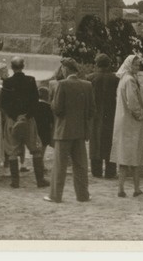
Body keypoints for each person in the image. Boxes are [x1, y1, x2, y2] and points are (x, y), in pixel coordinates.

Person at [44, 57, 94, 204]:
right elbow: (92, 110)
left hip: (64, 131)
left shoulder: (62, 85)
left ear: (65, 69)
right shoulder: (87, 85)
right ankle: (83, 195)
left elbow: (58, 109)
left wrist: (52, 101)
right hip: (80, 131)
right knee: (81, 165)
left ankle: (55, 195)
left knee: (60, 165)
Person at [0, 57, 48, 189]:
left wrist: (15, 116)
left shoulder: (7, 82)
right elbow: (35, 101)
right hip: (28, 119)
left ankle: (15, 181)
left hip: (13, 120)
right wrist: (27, 116)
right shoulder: (30, 80)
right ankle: (40, 180)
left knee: (13, 150)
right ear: (23, 66)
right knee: (35, 149)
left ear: (12, 67)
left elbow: (3, 103)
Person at [109, 54, 143, 197]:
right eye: (135, 65)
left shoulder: (123, 79)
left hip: (123, 120)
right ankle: (136, 188)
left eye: (138, 65)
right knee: (134, 155)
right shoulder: (130, 80)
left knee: (124, 156)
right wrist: (141, 115)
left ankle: (121, 188)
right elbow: (132, 102)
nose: (137, 67)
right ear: (129, 65)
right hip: (131, 123)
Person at [87, 53, 118, 179]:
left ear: (97, 64)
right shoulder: (115, 78)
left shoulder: (90, 78)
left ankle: (96, 170)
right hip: (111, 114)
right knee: (110, 141)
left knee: (95, 141)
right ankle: (110, 170)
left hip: (95, 114)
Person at [35, 87, 54, 163]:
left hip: (35, 128)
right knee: (43, 147)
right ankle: (40, 163)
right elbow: (51, 120)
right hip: (45, 129)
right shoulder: (48, 106)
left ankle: (37, 163)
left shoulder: (33, 105)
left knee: (36, 147)